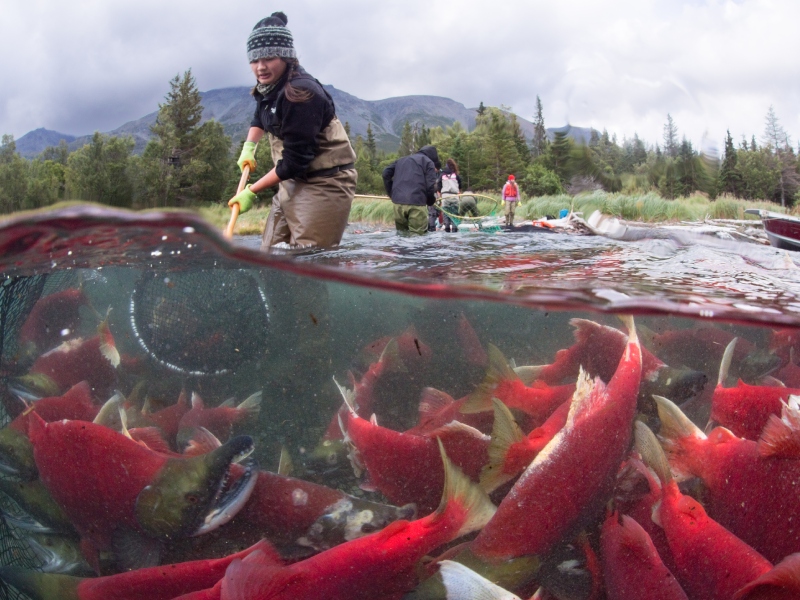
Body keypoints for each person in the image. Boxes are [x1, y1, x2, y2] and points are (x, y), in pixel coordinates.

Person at [227, 12, 357, 249]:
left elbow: (295, 161)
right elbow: (261, 114)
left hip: (324, 184)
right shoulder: (269, 86)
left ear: (286, 57)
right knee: (270, 255)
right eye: (254, 60)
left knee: (306, 264)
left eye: (269, 58)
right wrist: (249, 148)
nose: (260, 67)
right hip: (290, 183)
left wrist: (251, 191)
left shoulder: (301, 94)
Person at [382, 146, 440, 235]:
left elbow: (385, 173)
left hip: (398, 204)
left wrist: (392, 194)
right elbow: (430, 186)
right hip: (417, 204)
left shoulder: (401, 160)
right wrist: (430, 201)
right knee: (417, 238)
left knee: (401, 235)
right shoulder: (429, 162)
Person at [437, 158, 463, 233]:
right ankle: (455, 233)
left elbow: (438, 187)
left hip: (445, 197)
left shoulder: (442, 175)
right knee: (454, 216)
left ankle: (447, 230)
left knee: (446, 215)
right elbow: (460, 186)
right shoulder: (456, 175)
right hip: (454, 197)